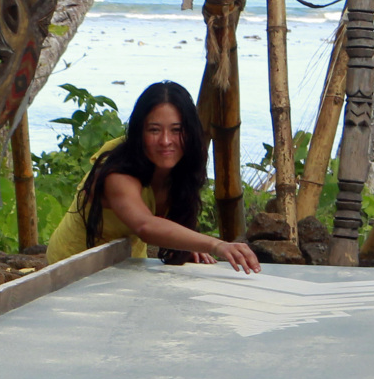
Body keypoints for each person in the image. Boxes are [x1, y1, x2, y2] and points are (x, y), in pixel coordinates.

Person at [44, 80, 261, 273]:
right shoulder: (117, 171)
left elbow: (171, 217)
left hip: (125, 264)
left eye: (176, 130)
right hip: (71, 269)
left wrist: (190, 243)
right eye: (154, 130)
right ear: (139, 132)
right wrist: (215, 244)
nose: (166, 141)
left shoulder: (183, 164)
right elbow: (145, 226)